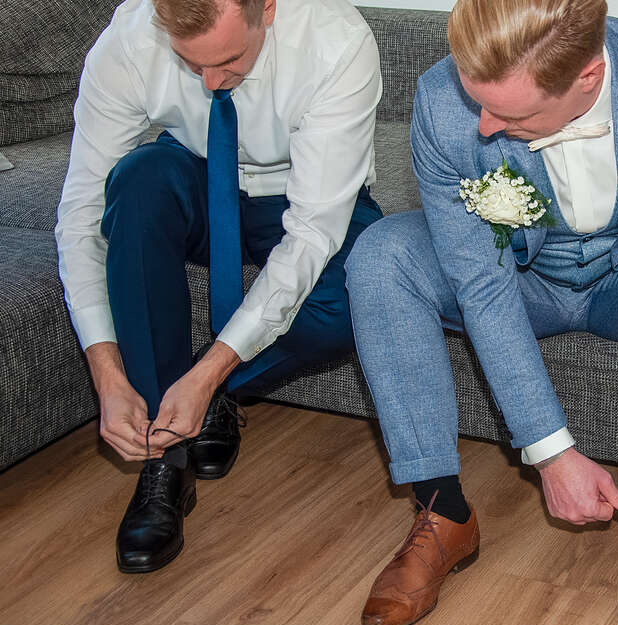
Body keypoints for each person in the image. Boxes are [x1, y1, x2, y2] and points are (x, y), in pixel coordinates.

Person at [345, 0, 618, 625]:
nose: (486, 127)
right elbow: (482, 285)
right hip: (521, 281)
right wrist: (551, 453)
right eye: (480, 104)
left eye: (512, 112)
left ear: (587, 74)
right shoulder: (444, 99)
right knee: (382, 255)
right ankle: (442, 512)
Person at [55, 0, 382, 573]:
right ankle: (167, 459)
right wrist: (106, 375)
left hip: (302, 192)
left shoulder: (337, 39)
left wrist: (209, 375)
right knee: (138, 183)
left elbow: (310, 234)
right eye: (190, 63)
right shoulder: (129, 38)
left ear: (269, 10)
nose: (210, 82)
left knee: (361, 298)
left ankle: (210, 396)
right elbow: (81, 215)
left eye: (229, 60)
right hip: (200, 179)